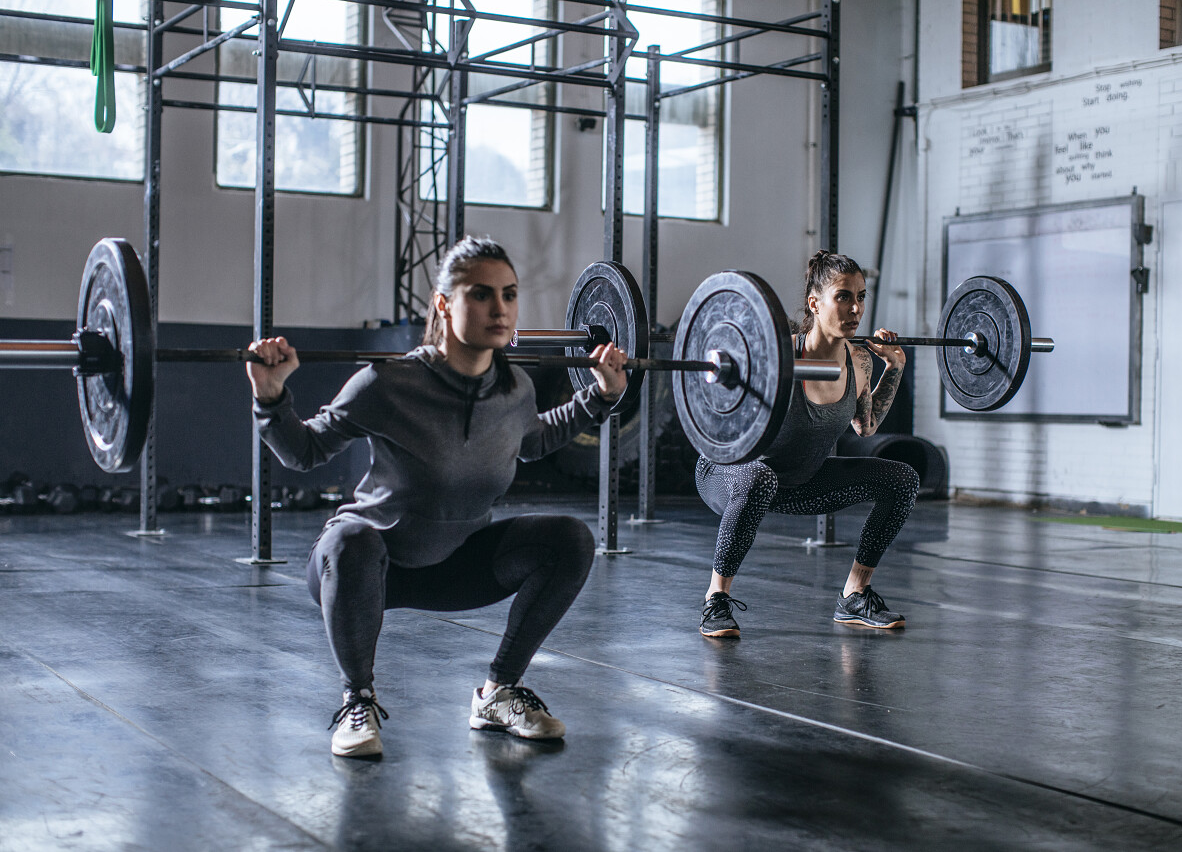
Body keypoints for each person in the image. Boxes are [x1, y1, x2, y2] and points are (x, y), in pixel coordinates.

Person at [246, 236, 628, 758]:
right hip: (363, 566)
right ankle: (357, 700)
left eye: (510, 295)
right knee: (350, 538)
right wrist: (270, 398)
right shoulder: (386, 382)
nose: (501, 309)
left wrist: (601, 396)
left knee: (570, 540)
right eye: (481, 294)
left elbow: (535, 441)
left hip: (453, 565)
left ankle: (498, 693)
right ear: (445, 305)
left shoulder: (514, 388)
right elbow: (306, 451)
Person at [695, 250, 920, 638]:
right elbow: (723, 419)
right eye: (844, 296)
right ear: (815, 304)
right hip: (729, 474)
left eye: (862, 296)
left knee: (903, 479)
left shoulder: (860, 362)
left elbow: (865, 426)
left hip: (797, 481)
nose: (856, 309)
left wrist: (895, 369)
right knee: (758, 478)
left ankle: (855, 593)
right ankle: (715, 598)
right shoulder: (778, 355)